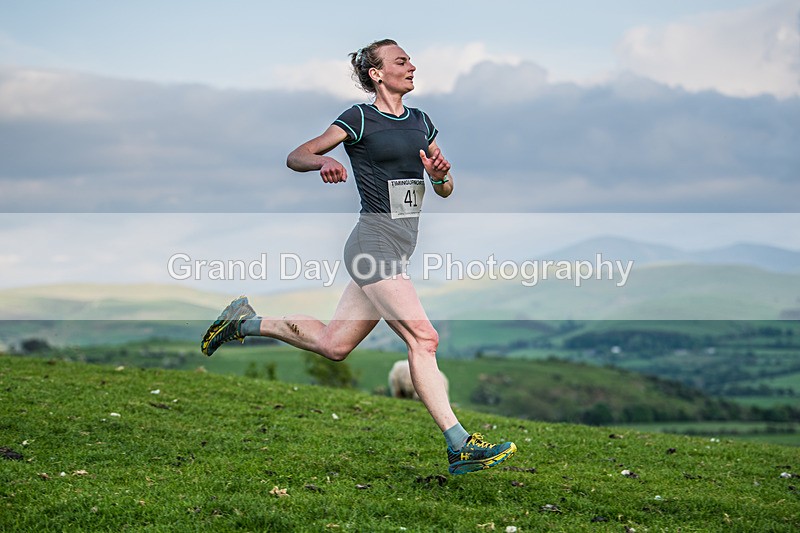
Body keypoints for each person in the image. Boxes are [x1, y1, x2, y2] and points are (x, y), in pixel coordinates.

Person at [201, 39, 516, 475]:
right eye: (401, 61)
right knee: (424, 339)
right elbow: (298, 155)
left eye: (410, 60)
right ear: (376, 73)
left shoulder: (422, 122)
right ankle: (459, 444)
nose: (411, 66)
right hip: (372, 244)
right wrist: (322, 164)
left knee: (334, 345)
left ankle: (243, 322)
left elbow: (445, 189)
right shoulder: (359, 118)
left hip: (398, 249)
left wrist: (440, 177)